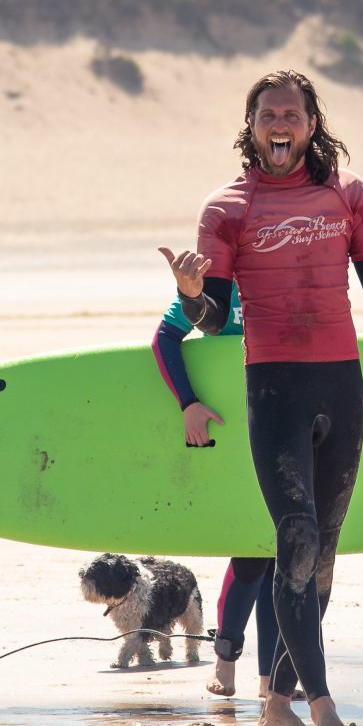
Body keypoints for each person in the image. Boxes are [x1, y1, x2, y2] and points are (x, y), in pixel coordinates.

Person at [160, 71, 363, 726]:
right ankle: (322, 709)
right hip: (275, 388)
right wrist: (194, 293)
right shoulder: (227, 207)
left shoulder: (348, 194)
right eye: (267, 114)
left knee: (322, 560)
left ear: (312, 123)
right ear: (251, 126)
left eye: (291, 112)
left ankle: (276, 706)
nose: (279, 123)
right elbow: (209, 317)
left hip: (341, 386)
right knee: (295, 537)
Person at [148, 284, 286, 701]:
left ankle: (270, 680)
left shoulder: (286, 273)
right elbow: (164, 338)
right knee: (253, 549)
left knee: (281, 556)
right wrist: (188, 402)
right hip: (234, 435)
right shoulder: (216, 286)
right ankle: (226, 665)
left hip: (286, 424)